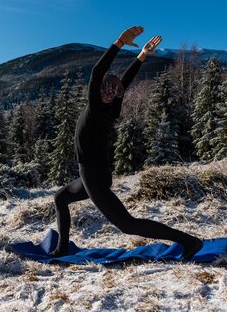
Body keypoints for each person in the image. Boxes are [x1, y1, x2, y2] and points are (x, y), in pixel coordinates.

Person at [51, 25, 203, 260]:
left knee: (127, 225)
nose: (100, 87)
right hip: (94, 173)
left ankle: (189, 241)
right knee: (60, 198)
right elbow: (125, 82)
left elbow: (96, 71)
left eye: (101, 87)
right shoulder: (110, 107)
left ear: (101, 91)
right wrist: (141, 56)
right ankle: (62, 247)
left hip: (93, 175)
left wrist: (119, 42)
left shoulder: (96, 107)